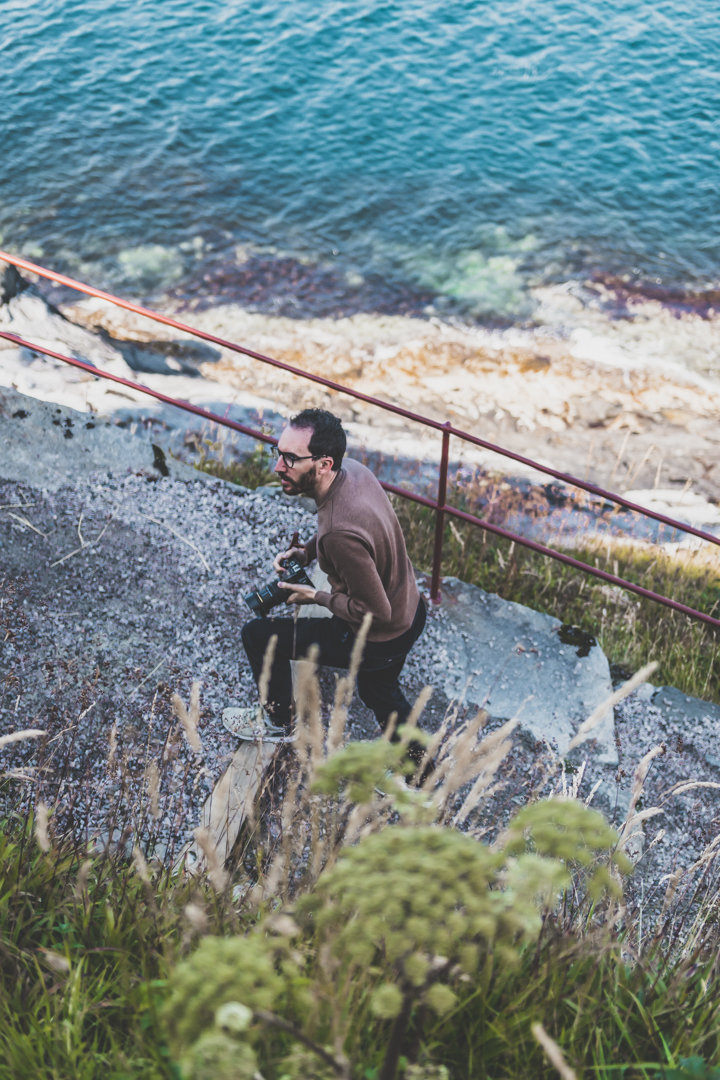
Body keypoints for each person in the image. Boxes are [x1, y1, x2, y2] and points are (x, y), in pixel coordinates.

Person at [224, 408, 426, 750]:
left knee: (258, 636)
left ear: (324, 464)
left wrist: (314, 596)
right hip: (412, 608)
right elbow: (343, 529)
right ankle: (419, 775)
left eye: (290, 459)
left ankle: (278, 722)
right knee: (380, 693)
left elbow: (376, 613)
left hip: (378, 635)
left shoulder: (338, 532)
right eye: (279, 453)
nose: (278, 467)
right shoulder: (354, 474)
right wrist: (306, 553)